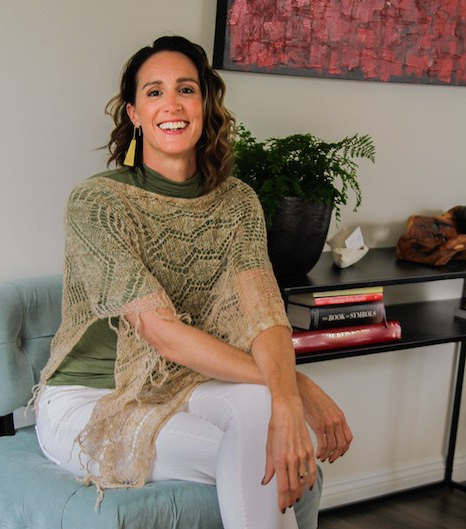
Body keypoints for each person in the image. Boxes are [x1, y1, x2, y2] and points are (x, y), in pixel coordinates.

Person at [34, 35, 353, 529]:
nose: (172, 104)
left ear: (205, 105)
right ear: (134, 113)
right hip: (90, 400)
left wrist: (282, 394)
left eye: (186, 89)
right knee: (261, 451)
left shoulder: (237, 202)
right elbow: (161, 331)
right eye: (154, 92)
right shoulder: (97, 203)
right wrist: (297, 387)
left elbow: (264, 312)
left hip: (180, 383)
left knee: (259, 407)